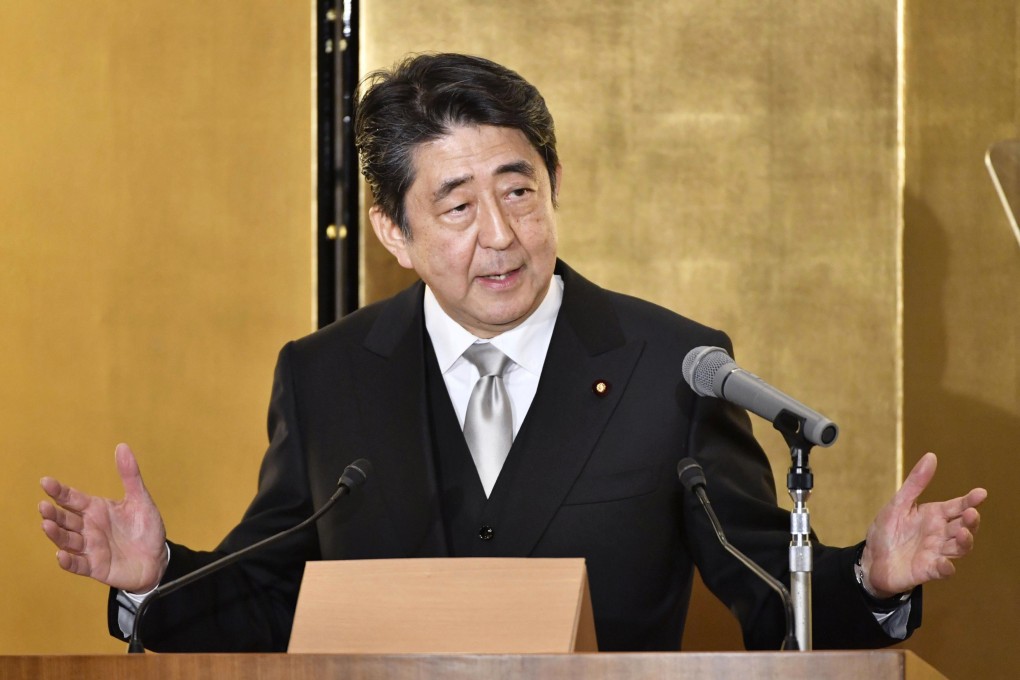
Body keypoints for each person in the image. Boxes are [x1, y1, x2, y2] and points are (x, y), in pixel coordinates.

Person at [38, 53, 986, 652]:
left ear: (555, 184)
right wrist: (158, 577)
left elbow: (767, 589)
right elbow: (266, 598)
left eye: (519, 190)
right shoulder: (325, 376)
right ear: (392, 233)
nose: (500, 235)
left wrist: (867, 577)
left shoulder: (673, 364)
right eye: (455, 205)